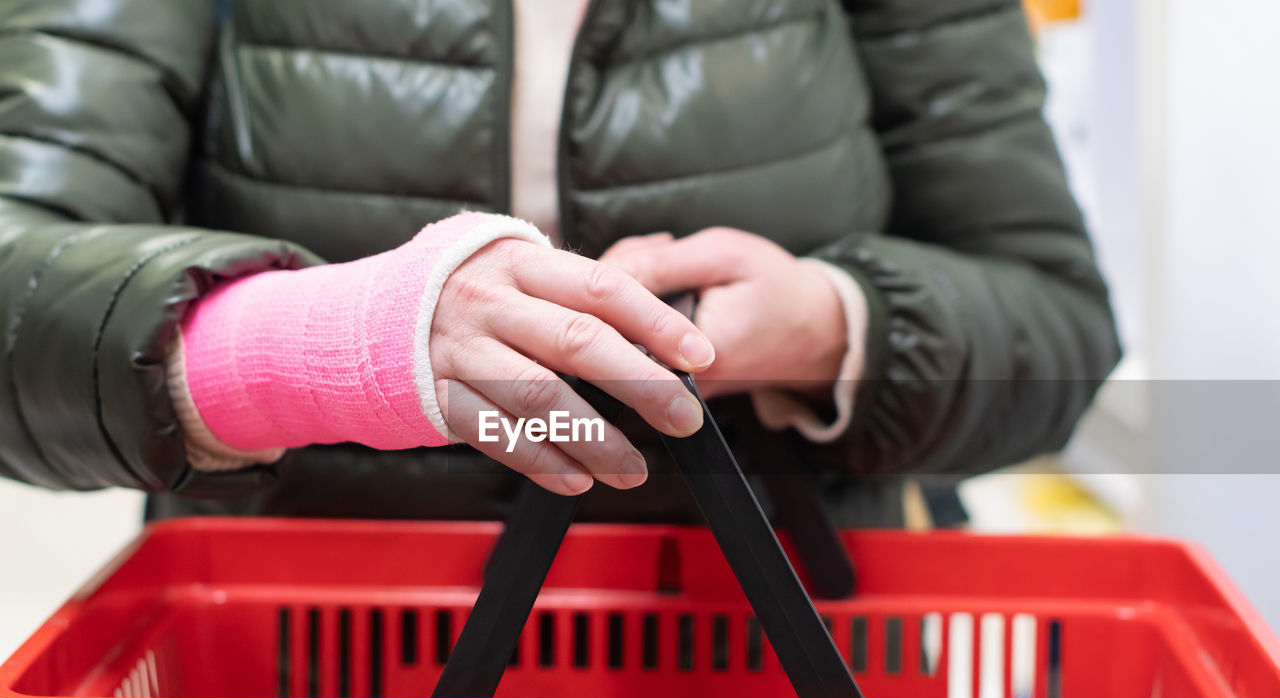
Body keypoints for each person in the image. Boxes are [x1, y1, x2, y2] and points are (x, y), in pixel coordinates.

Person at [0, 0, 1121, 527]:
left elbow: (1055, 329)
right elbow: (19, 301)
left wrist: (833, 328)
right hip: (295, 689)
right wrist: (343, 339)